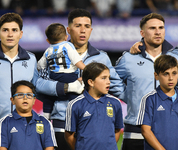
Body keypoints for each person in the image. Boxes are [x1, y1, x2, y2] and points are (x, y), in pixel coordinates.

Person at [0, 12, 73, 150]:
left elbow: (38, 84)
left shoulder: (30, 59)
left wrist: (66, 87)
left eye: (14, 30)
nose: (10, 34)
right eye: (5, 30)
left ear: (20, 34)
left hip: (25, 130)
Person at [37, 8, 125, 150]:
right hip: (62, 123)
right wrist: (68, 87)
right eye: (78, 26)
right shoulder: (52, 53)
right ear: (68, 30)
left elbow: (117, 87)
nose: (83, 30)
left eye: (87, 26)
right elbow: (39, 84)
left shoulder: (101, 57)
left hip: (95, 125)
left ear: (91, 30)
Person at [115, 12, 178, 150]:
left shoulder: (175, 57)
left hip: (169, 130)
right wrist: (129, 97)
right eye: (152, 28)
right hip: (135, 133)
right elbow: (112, 80)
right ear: (142, 33)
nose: (157, 32)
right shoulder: (128, 59)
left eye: (161, 28)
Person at [65, 62, 123, 150]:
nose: (108, 82)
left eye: (109, 78)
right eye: (103, 78)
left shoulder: (115, 103)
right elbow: (69, 135)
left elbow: (117, 130)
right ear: (91, 82)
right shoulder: (75, 104)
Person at [0, 80, 57, 150]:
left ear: (34, 100)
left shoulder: (45, 122)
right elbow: (1, 148)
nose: (25, 98)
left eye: (29, 95)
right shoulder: (4, 122)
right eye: (20, 95)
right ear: (12, 100)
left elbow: (49, 147)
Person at [138, 55, 178, 150]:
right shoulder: (149, 99)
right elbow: (145, 131)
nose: (171, 78)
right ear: (156, 76)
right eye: (166, 74)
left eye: (174, 73)